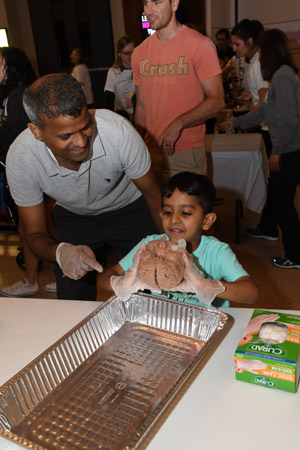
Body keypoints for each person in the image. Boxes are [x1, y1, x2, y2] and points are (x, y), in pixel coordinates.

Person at [5, 73, 163, 301]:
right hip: (75, 215)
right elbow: (34, 233)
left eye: (86, 126)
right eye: (65, 135)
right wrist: (60, 253)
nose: (80, 142)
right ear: (37, 131)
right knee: (72, 299)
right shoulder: (22, 157)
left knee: (155, 288)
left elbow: (154, 193)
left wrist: (170, 245)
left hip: (130, 206)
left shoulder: (117, 131)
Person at [100, 172, 259, 308]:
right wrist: (123, 284)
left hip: (204, 323)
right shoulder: (149, 246)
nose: (174, 219)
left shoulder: (216, 251)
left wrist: (207, 287)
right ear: (161, 215)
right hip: (161, 321)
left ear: (207, 221)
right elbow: (105, 278)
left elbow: (252, 294)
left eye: (185, 213)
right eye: (168, 212)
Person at [220, 29, 300, 270]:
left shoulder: (283, 77)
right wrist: (235, 122)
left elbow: (288, 121)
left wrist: (277, 151)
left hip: (287, 151)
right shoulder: (280, 75)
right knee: (279, 199)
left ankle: (295, 255)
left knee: (284, 204)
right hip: (286, 149)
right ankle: (288, 246)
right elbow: (265, 111)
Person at [132, 0, 224, 185]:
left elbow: (217, 101)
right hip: (150, 154)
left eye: (156, 2)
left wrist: (178, 124)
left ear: (174, 4)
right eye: (146, 3)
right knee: (156, 212)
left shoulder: (200, 45)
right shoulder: (139, 53)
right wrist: (136, 148)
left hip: (185, 152)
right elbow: (141, 106)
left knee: (187, 212)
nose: (149, 10)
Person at [0, 46, 56, 297]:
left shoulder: (18, 96)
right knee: (29, 230)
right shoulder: (13, 95)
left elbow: (29, 139)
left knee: (39, 229)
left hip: (32, 172)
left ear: (10, 67)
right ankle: (31, 279)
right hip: (23, 171)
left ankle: (60, 274)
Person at [104, 35, 135, 122]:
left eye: (133, 52)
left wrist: (134, 101)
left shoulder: (140, 68)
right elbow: (109, 99)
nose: (130, 56)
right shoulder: (113, 72)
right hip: (125, 118)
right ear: (119, 53)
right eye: (126, 53)